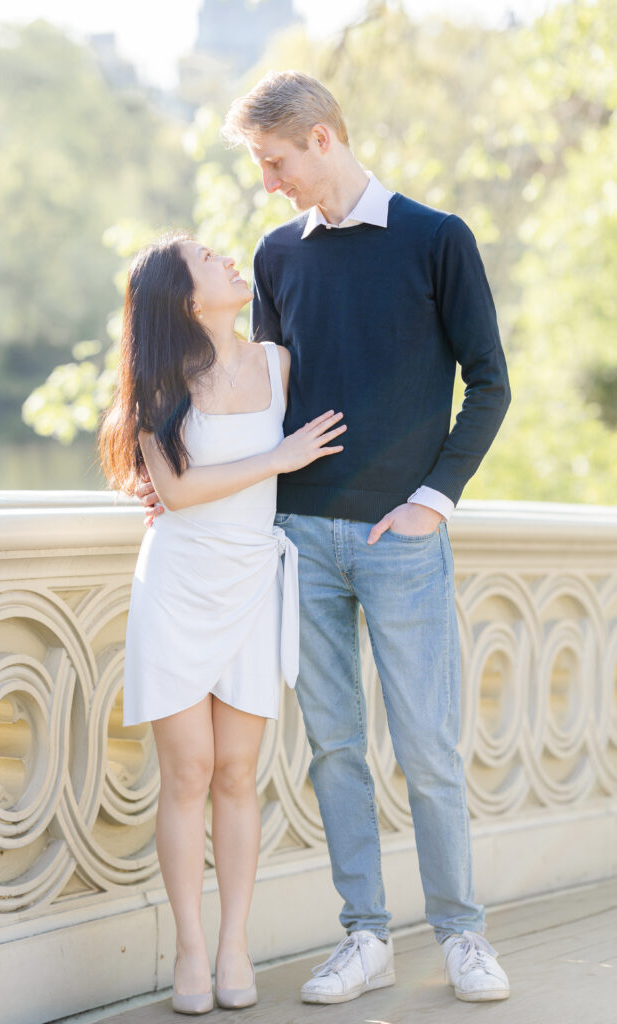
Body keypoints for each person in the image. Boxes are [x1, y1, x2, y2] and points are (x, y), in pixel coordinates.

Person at [137, 70, 512, 1006]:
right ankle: (364, 934)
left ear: (322, 139)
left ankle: (462, 933)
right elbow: (246, 389)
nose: (269, 183)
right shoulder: (275, 256)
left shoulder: (437, 240)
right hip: (293, 544)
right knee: (334, 749)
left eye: (274, 162)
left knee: (426, 747)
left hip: (401, 538)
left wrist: (436, 496)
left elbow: (490, 382)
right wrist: (166, 475)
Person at [99, 232, 345, 1015]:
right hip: (176, 583)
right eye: (211, 259)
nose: (230, 261)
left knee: (238, 774)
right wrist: (279, 459)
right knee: (188, 774)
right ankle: (191, 955)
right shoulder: (156, 384)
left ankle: (235, 943)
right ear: (185, 297)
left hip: (251, 582)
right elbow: (174, 492)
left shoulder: (277, 363)